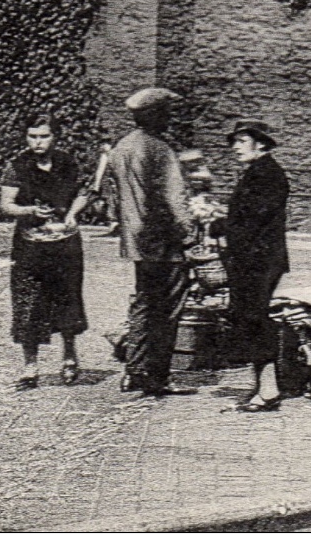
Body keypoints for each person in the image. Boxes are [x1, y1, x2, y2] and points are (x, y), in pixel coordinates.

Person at [108, 87, 197, 397]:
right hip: (164, 242)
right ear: (155, 116)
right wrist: (189, 231)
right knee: (168, 310)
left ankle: (133, 371)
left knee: (143, 305)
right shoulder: (161, 150)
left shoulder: (122, 147)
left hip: (136, 242)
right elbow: (176, 197)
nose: (169, 120)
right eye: (165, 114)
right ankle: (157, 376)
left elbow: (115, 196)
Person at [0, 114, 89, 390]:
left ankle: (70, 359)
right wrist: (29, 211)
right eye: (32, 136)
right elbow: (6, 204)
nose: (38, 142)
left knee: (67, 298)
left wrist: (73, 213)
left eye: (44, 136)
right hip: (30, 244)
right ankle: (30, 367)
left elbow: (83, 192)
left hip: (65, 242)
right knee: (29, 304)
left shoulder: (67, 163)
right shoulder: (17, 167)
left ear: (55, 137)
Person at [209, 119, 290, 413]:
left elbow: (252, 220)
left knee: (255, 318)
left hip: (259, 260)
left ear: (262, 144)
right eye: (234, 142)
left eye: (241, 141)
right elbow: (246, 216)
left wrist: (219, 223)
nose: (234, 148)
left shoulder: (266, 174)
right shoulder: (258, 172)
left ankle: (268, 390)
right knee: (249, 317)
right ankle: (263, 387)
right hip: (253, 258)